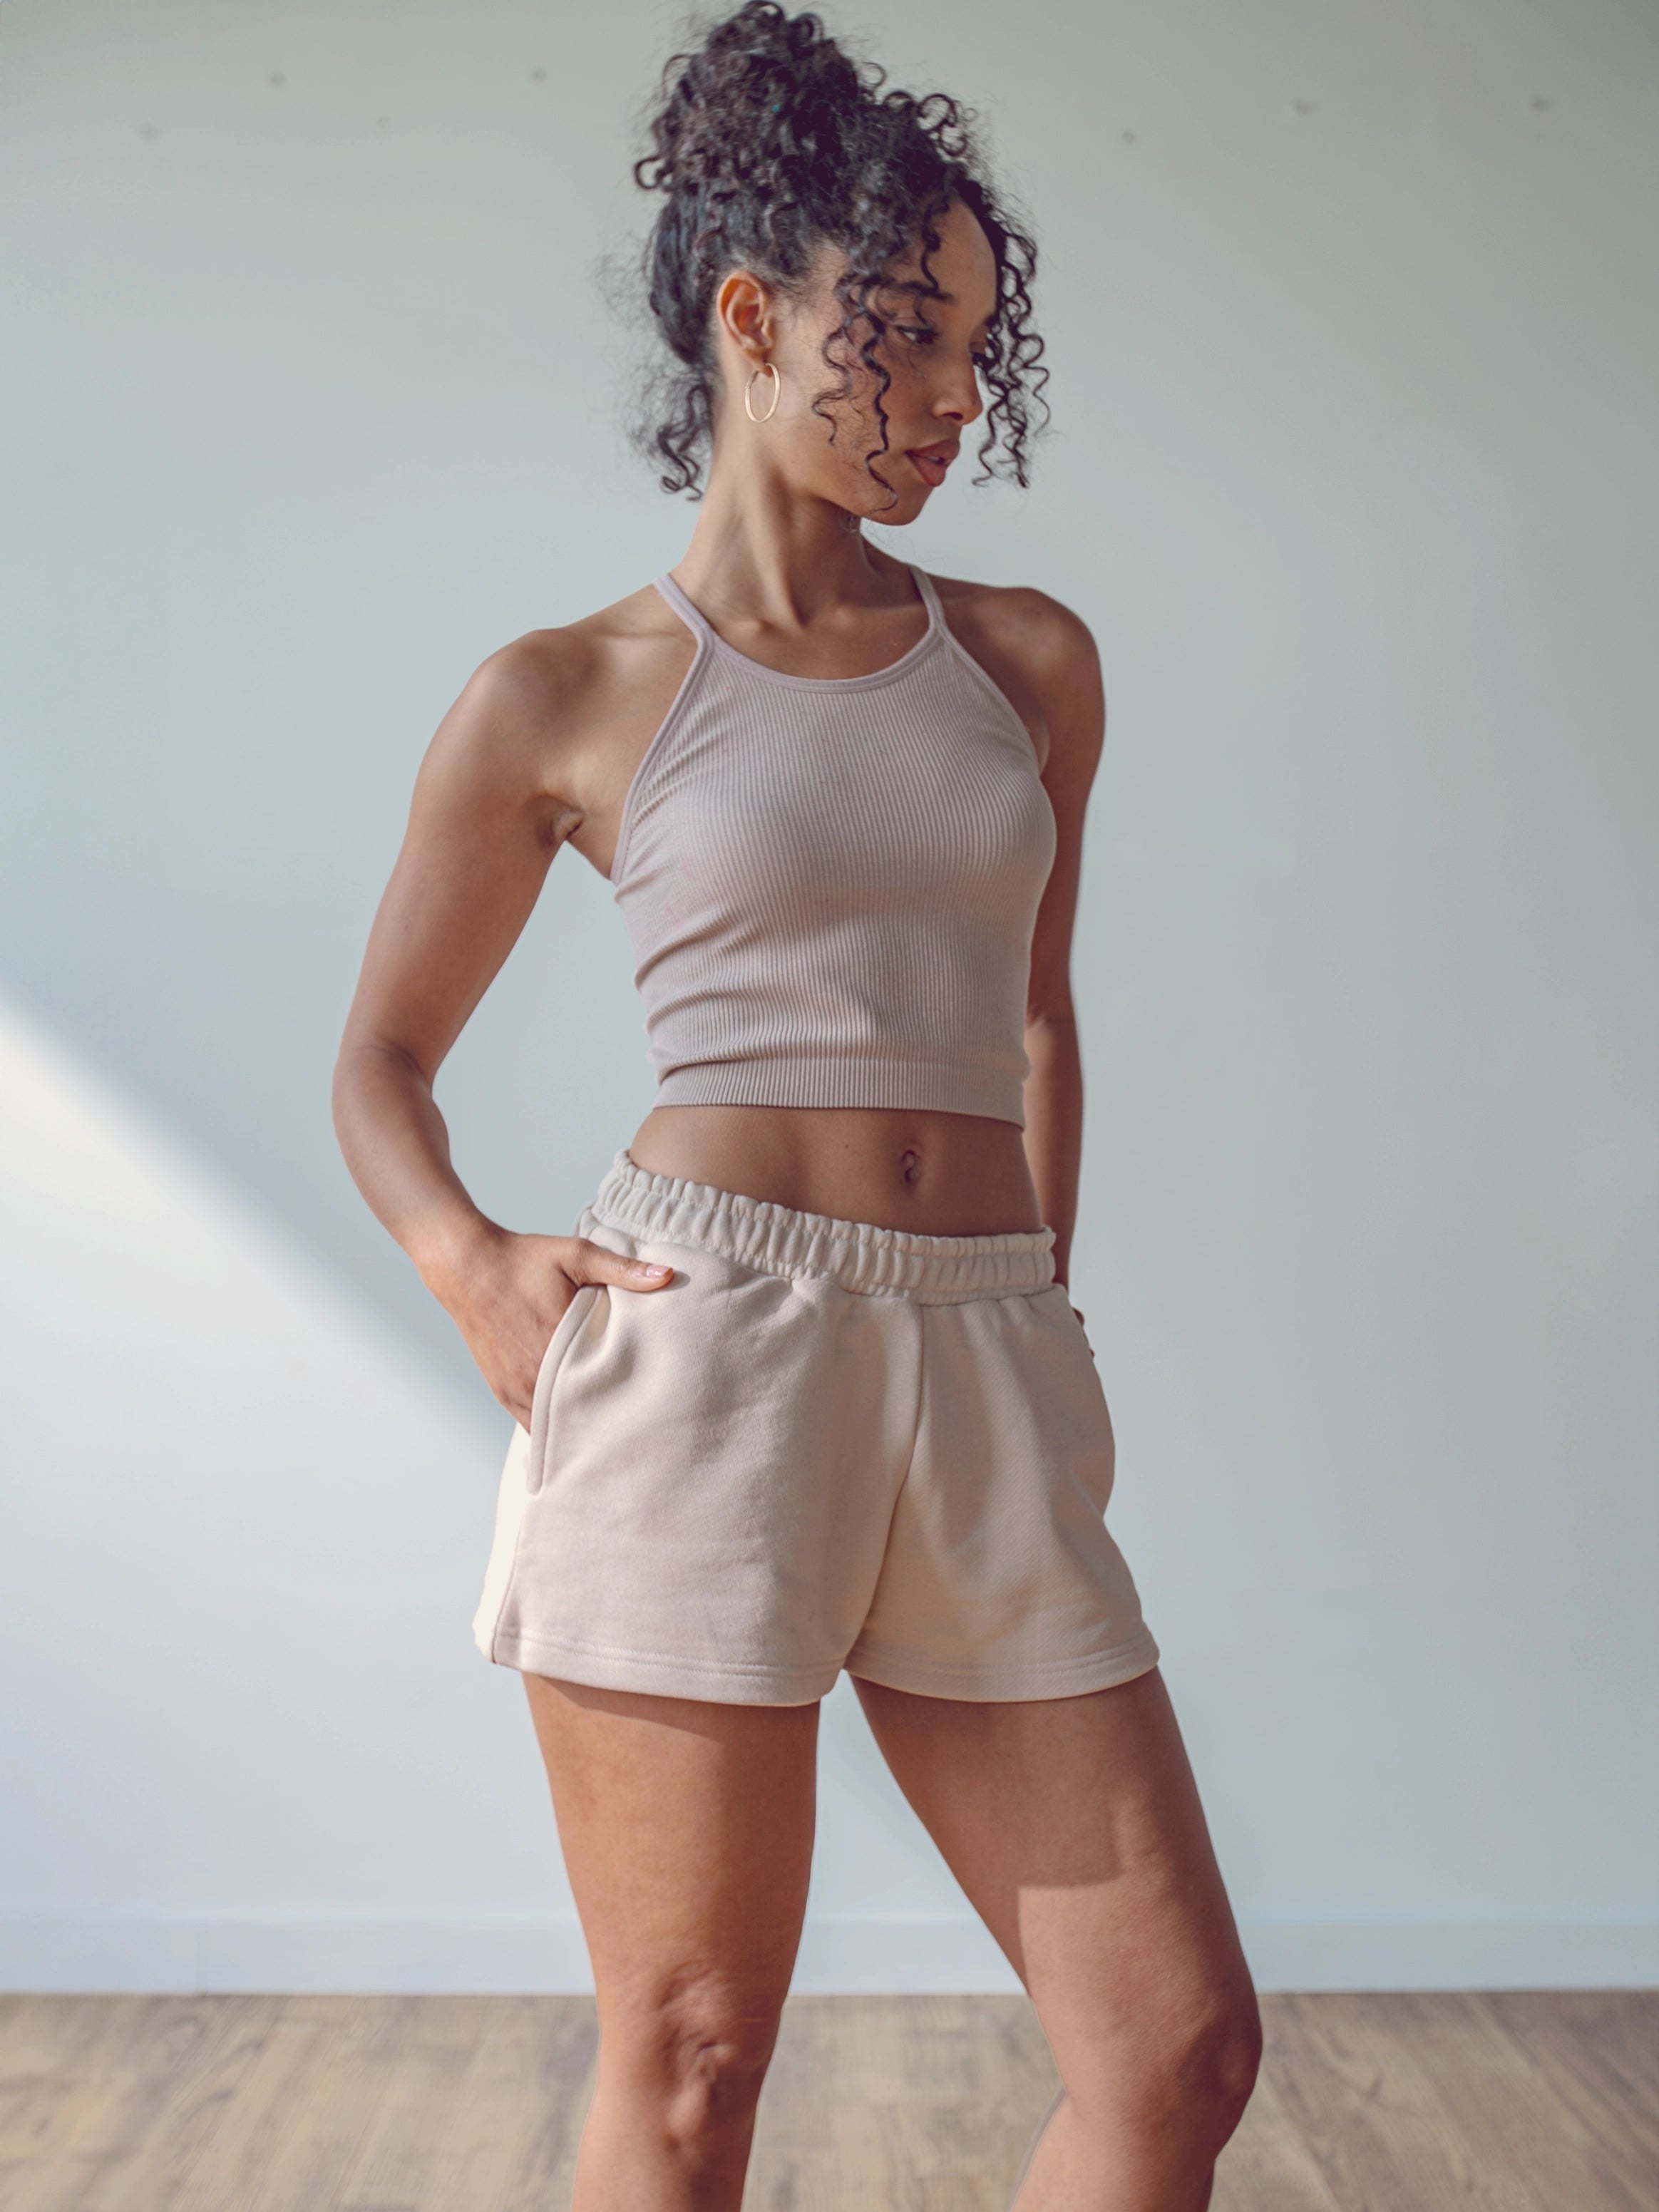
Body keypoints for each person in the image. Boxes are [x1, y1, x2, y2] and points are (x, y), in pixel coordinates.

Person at [332, 4, 1260, 2203]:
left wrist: (1033, 1314)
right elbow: (378, 1061)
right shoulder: (559, 696)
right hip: (704, 1357)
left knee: (1180, 2052)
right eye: (910, 339)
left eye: (977, 346)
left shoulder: (1029, 663)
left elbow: (1033, 1022)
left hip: (983, 1351)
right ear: (753, 320)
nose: (956, 397)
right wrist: (470, 1265)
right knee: (694, 2057)